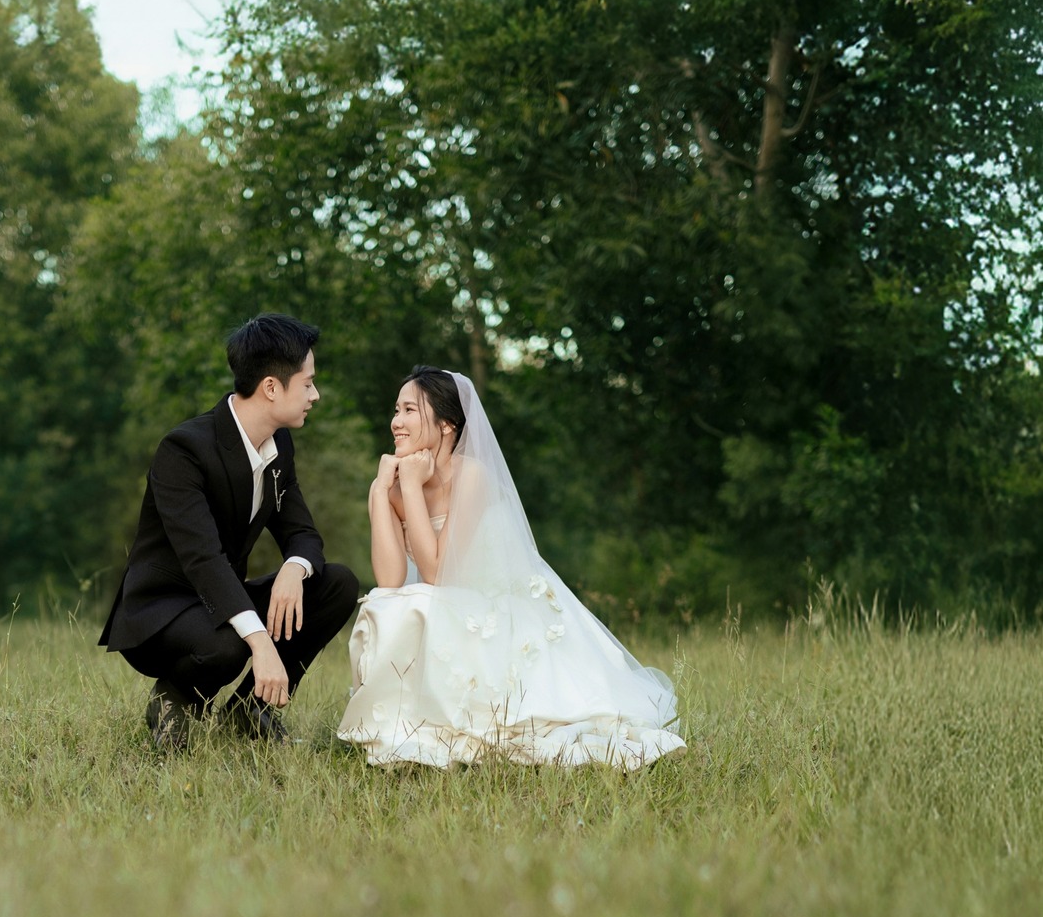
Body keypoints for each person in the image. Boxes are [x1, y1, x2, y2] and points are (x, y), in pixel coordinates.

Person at [338, 369, 685, 768]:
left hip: (495, 610)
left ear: (447, 424)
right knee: (385, 603)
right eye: (396, 410)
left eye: (410, 410)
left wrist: (413, 486)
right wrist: (382, 492)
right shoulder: (392, 484)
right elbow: (389, 580)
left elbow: (436, 573)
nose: (396, 422)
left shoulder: (471, 474)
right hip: (442, 608)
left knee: (418, 605)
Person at [100, 314, 359, 749]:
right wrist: (260, 640)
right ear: (272, 387)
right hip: (160, 612)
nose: (316, 394)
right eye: (308, 383)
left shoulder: (279, 445)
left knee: (337, 584)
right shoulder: (183, 450)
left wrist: (295, 569)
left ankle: (247, 712)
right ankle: (174, 699)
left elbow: (304, 534)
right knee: (231, 643)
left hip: (218, 600)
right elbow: (202, 559)